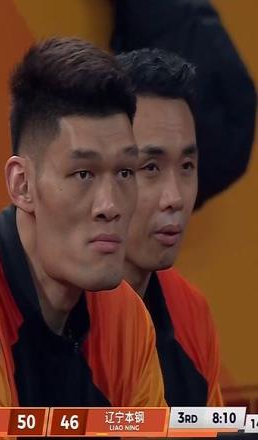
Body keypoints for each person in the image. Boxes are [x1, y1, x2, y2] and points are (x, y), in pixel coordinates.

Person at [0, 37, 165, 408]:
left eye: (124, 172)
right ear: (22, 185)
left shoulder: (126, 317)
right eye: (83, 174)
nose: (110, 206)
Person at [117, 48, 223, 406]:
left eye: (187, 167)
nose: (175, 198)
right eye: (150, 167)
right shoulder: (51, 308)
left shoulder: (190, 311)